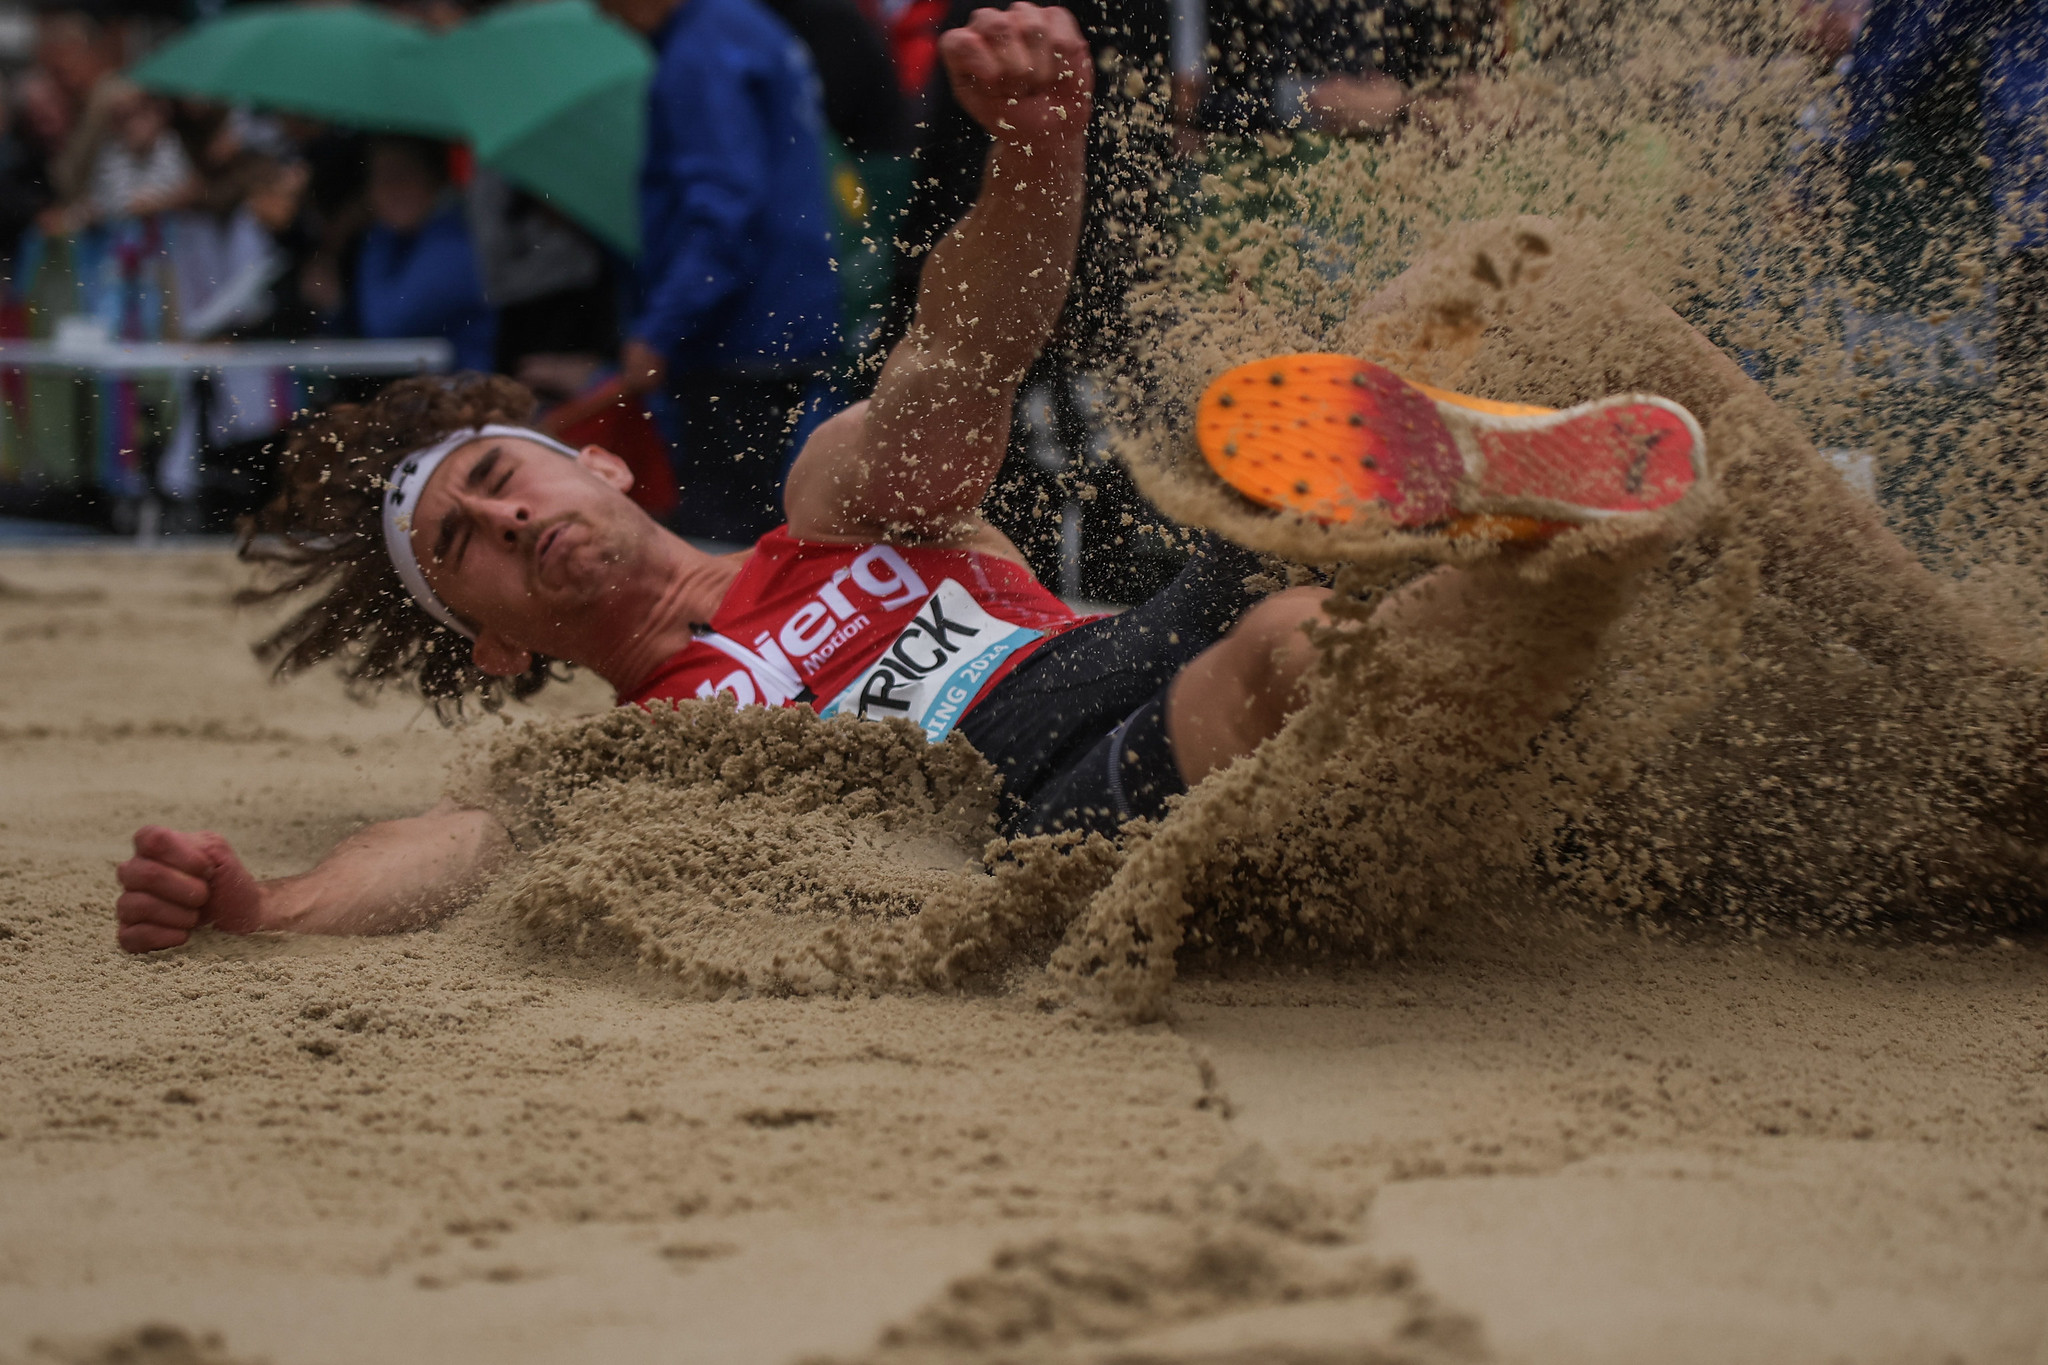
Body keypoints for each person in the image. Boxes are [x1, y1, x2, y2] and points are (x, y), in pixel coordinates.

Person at [109, 3, 1702, 954]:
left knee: (1278, 492)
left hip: (1097, 647)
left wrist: (1039, 154)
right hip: (1015, 798)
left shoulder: (821, 507)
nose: (514, 520)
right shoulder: (625, 760)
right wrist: (273, 910)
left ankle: (1522, 543)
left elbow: (955, 368)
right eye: (469, 548)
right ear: (496, 646)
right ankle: (1524, 584)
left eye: (506, 480)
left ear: (591, 457)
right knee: (1292, 648)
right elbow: (439, 847)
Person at [599, 0, 844, 544]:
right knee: (769, 520)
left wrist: (659, 330)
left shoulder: (700, 52)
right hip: (788, 313)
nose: (604, 15)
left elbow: (724, 210)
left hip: (738, 332)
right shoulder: (749, 24)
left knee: (727, 540)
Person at [351, 136, 496, 375]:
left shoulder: (455, 242)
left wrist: (378, 232)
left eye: (401, 175)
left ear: (434, 178)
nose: (388, 189)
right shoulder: (410, 237)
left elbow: (385, 325)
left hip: (472, 398)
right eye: (379, 178)